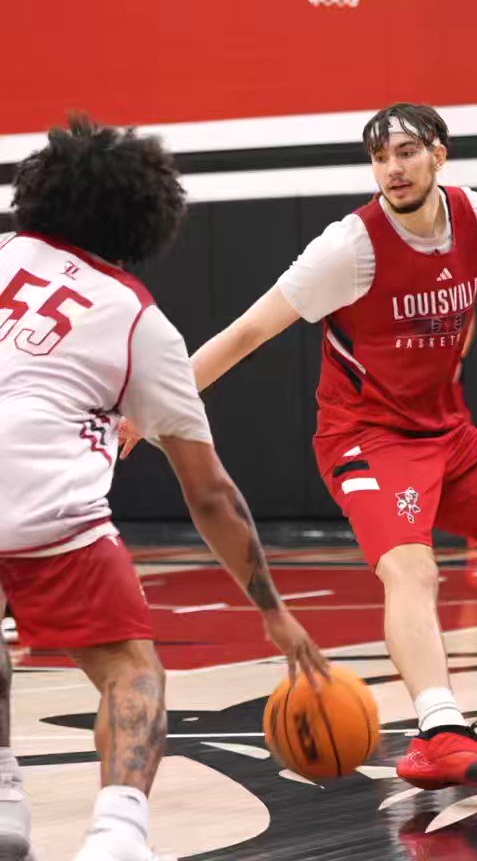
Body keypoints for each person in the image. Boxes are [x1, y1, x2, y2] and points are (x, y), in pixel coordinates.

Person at [123, 103, 477, 789]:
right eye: (381, 158)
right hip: (364, 439)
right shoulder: (348, 247)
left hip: (449, 435)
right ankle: (438, 728)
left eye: (407, 152)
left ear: (439, 154)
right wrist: (153, 410)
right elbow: (244, 334)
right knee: (412, 571)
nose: (393, 169)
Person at [0, 116, 327, 861]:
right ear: (145, 218)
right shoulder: (137, 318)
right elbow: (209, 493)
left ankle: (3, 797)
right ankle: (117, 837)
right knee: (130, 671)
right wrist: (273, 612)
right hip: (48, 508)